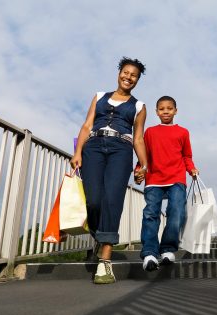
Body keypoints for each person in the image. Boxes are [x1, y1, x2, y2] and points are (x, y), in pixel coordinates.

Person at [71, 57, 148, 284]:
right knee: (93, 200)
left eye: (134, 75)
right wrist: (77, 153)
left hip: (121, 150)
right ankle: (98, 234)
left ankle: (105, 261)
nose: (129, 77)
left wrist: (143, 165)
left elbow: (139, 139)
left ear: (137, 80)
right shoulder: (99, 97)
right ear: (119, 73)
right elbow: (87, 125)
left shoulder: (139, 107)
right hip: (93, 147)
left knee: (113, 200)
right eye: (126, 72)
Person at [134, 95, 198, 271]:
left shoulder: (183, 132)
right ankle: (149, 253)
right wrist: (138, 171)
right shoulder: (150, 132)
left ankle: (168, 249)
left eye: (169, 108)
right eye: (162, 109)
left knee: (176, 212)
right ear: (156, 112)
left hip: (177, 177)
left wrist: (191, 169)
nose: (166, 111)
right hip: (154, 178)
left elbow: (186, 156)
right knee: (150, 214)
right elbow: (143, 154)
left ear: (175, 111)